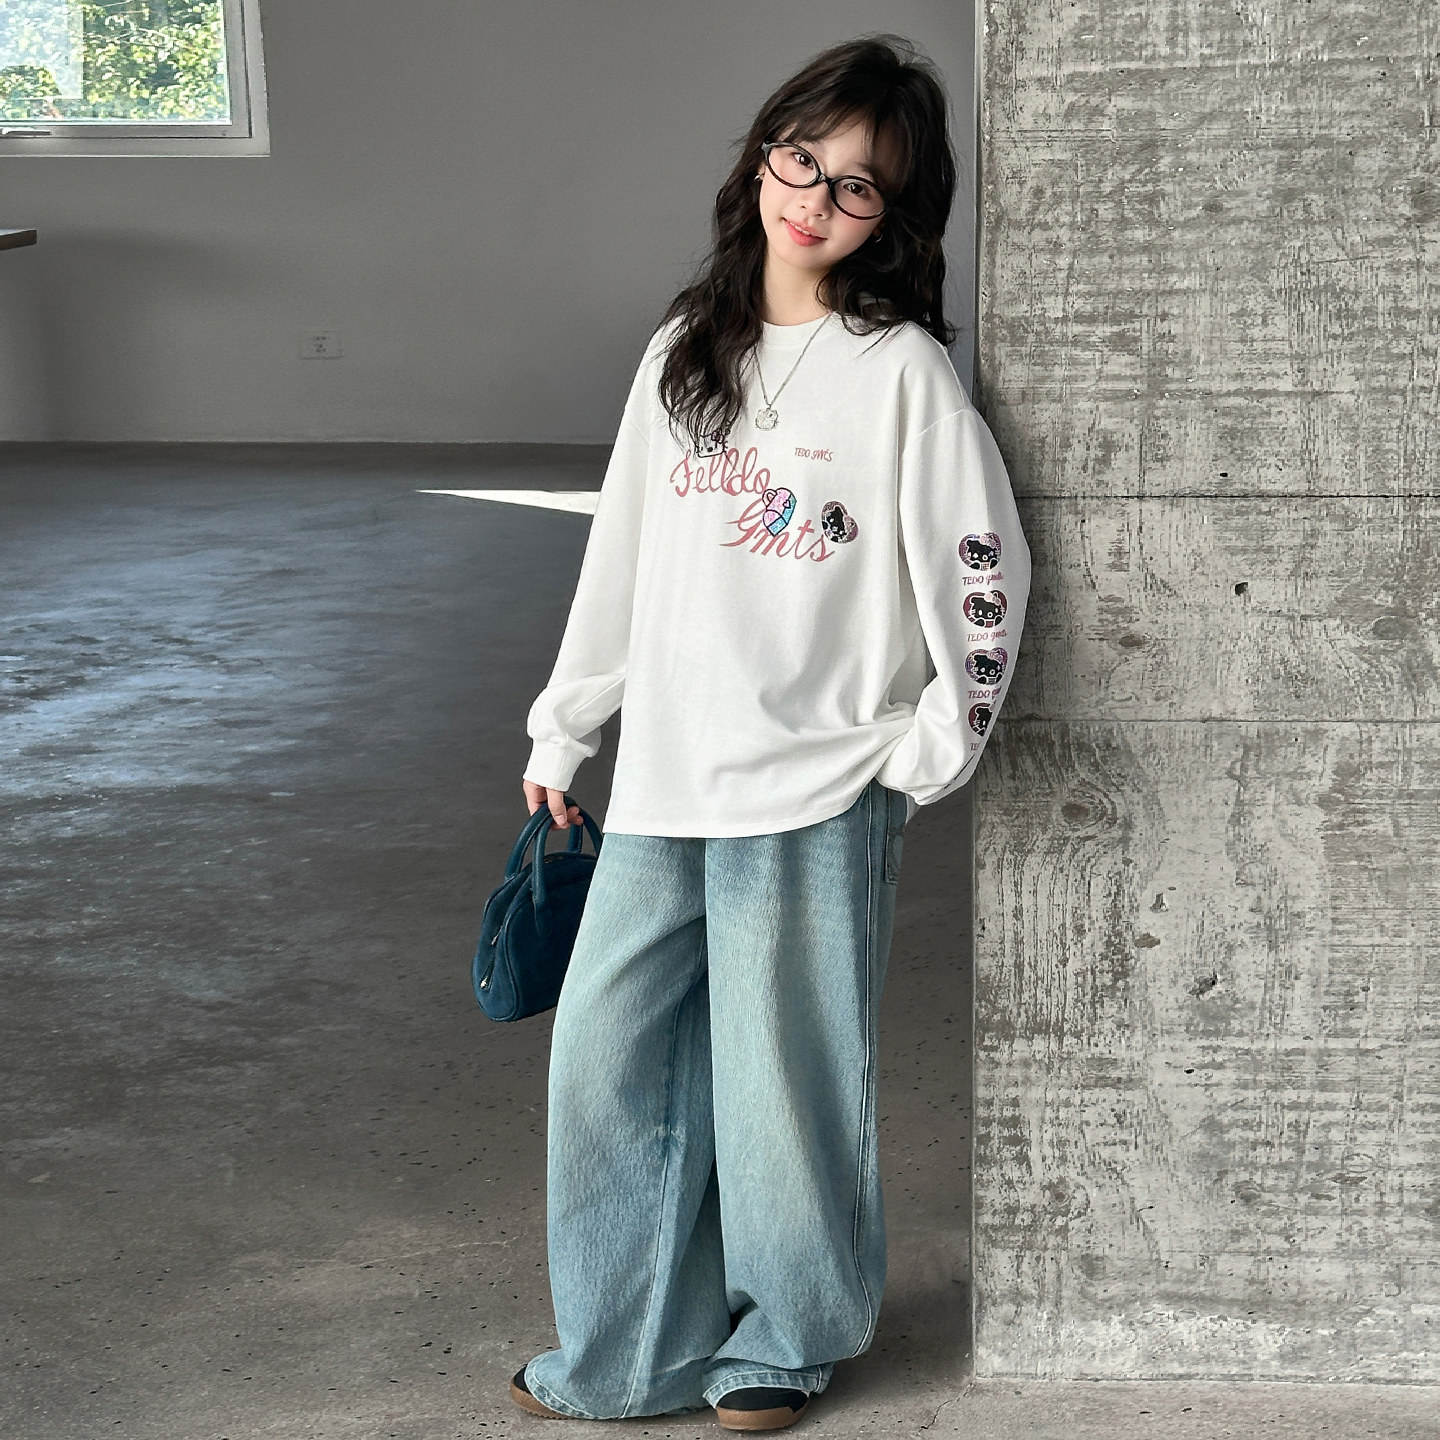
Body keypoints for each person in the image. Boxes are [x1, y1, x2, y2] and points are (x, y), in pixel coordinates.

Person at [510, 32, 1030, 1431]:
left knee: (782, 1090)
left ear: (891, 218)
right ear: (761, 160)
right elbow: (621, 556)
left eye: (859, 185)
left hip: (816, 788)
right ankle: (632, 1348)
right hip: (668, 777)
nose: (817, 199)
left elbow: (981, 567)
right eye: (804, 160)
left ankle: (786, 1336)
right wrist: (567, 730)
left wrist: (934, 743)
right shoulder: (682, 351)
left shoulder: (898, 370)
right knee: (607, 1069)